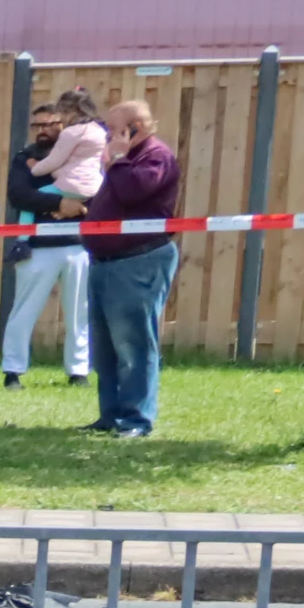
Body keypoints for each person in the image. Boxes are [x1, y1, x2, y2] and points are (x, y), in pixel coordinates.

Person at [83, 97, 183, 438]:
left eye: (113, 129)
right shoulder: (123, 162)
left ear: (134, 129)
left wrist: (120, 159)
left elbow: (131, 191)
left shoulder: (156, 156)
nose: (108, 136)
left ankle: (137, 419)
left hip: (138, 261)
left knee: (134, 344)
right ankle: (110, 415)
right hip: (106, 263)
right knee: (107, 346)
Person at [0, 102, 91, 389]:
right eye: (37, 125)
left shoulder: (81, 155)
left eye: (50, 124)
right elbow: (19, 195)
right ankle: (13, 371)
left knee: (79, 311)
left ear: (63, 126)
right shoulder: (25, 157)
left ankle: (78, 372)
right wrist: (60, 203)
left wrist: (77, 207)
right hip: (36, 245)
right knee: (24, 309)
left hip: (78, 244)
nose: (42, 131)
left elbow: (94, 189)